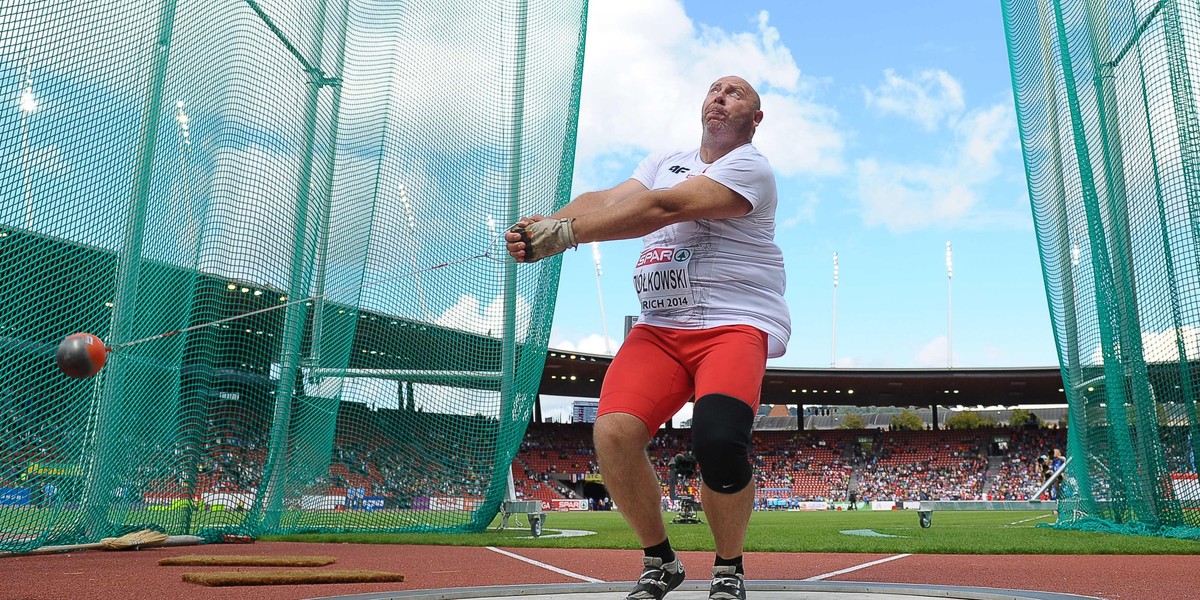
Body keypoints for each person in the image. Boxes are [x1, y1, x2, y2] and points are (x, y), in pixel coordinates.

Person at [506, 75, 790, 600]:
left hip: (731, 323)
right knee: (612, 435)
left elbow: (664, 209)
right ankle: (660, 560)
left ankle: (728, 567)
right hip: (660, 329)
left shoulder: (751, 166)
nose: (720, 96)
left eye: (736, 93)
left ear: (755, 118)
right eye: (713, 90)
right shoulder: (664, 160)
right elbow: (607, 197)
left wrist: (567, 235)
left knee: (719, 444)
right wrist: (548, 223)